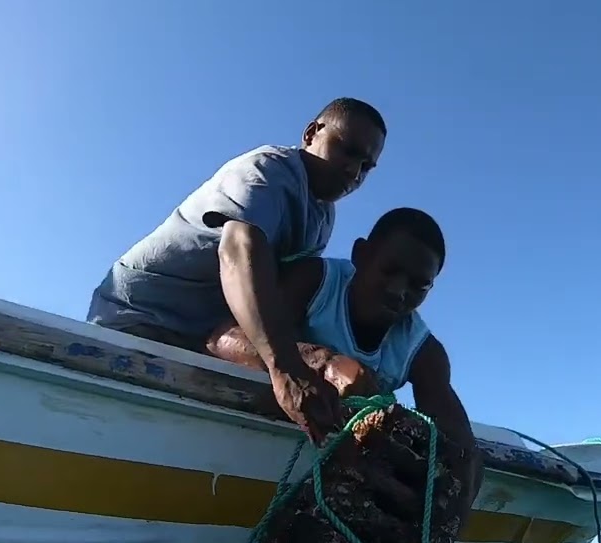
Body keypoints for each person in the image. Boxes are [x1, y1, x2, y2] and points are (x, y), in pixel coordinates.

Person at [87, 97, 386, 441]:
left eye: (366, 166)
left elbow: (284, 298)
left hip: (202, 337)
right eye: (347, 151)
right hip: (139, 317)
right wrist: (287, 367)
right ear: (311, 133)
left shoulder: (323, 218)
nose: (354, 171)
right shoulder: (268, 169)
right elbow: (239, 253)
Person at [207, 208, 482, 519]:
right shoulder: (316, 282)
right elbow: (223, 338)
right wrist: (322, 362)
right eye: (389, 270)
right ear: (361, 254)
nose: (397, 291)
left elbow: (457, 442)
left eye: (418, 286)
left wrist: (462, 479)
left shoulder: (423, 351)